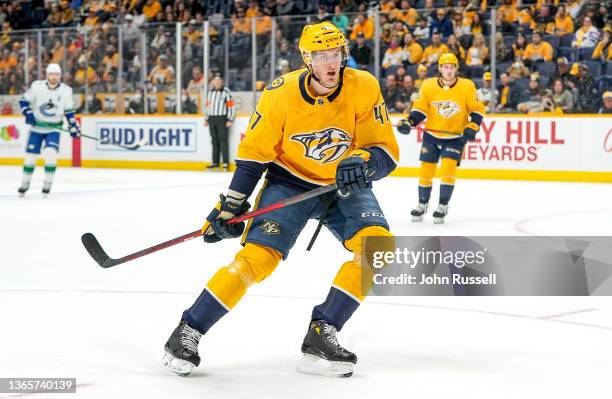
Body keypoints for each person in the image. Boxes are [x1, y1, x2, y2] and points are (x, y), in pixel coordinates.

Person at [162, 22, 398, 379]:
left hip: (342, 184)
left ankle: (323, 331)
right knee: (256, 260)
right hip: (290, 183)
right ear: (307, 59)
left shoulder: (363, 86)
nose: (331, 63)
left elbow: (386, 153)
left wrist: (363, 163)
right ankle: (188, 330)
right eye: (321, 56)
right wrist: (231, 206)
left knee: (378, 247)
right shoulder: (280, 94)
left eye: (335, 54)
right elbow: (254, 155)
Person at [397, 53, 485, 223]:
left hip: (455, 137)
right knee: (426, 172)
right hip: (432, 136)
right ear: (440, 69)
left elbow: (477, 109)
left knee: (447, 170)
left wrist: (472, 126)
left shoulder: (467, 86)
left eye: (452, 67)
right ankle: (422, 204)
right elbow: (420, 109)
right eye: (446, 67)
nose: (449, 71)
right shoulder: (428, 85)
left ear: (457, 69)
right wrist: (410, 121)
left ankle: (443, 205)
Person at [17, 63, 80, 196]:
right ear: (47, 75)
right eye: (51, 74)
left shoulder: (66, 90)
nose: (53, 77)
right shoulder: (37, 86)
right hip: (36, 129)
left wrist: (73, 126)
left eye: (56, 74)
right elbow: (23, 101)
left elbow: (69, 111)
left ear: (60, 75)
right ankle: (25, 183)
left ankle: (47, 183)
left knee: (51, 154)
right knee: (30, 158)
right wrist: (28, 113)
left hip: (53, 129)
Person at [205, 74, 235, 171]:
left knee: (223, 140)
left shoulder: (226, 92)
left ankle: (225, 162)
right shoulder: (210, 92)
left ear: (222, 82)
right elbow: (207, 105)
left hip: (222, 118)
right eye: (215, 81)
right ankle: (215, 162)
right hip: (212, 118)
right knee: (214, 140)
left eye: (219, 81)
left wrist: (230, 119)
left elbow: (231, 106)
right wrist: (206, 118)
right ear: (213, 82)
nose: (217, 83)